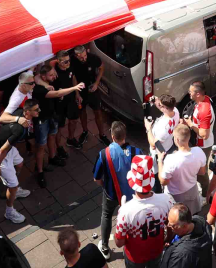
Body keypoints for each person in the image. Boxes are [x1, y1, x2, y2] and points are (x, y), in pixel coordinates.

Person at [93, 121, 142, 259]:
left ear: (112, 136)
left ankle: (105, 248)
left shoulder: (104, 154)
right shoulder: (136, 152)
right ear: (125, 136)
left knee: (107, 215)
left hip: (111, 194)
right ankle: (134, 243)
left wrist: (106, 186)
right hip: (133, 195)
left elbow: (96, 179)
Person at [115, 155, 174, 267]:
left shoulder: (125, 212)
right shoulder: (167, 200)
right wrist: (167, 238)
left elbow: (119, 243)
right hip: (156, 251)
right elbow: (171, 227)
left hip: (135, 257)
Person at [0, 98, 36, 223]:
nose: (39, 111)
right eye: (36, 110)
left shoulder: (19, 112)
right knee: (13, 185)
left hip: (8, 150)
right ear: (27, 112)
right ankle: (9, 212)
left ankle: (13, 188)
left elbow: (3, 116)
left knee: (20, 163)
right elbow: (2, 151)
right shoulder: (18, 130)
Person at [159, 123, 206, 216]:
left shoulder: (170, 159)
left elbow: (163, 182)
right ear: (189, 137)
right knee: (191, 215)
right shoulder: (199, 151)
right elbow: (202, 172)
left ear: (176, 139)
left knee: (177, 219)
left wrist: (160, 161)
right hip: (192, 190)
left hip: (175, 196)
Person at [71, 44, 109, 147]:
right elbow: (73, 77)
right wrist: (77, 93)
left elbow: (102, 67)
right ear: (76, 56)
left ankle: (102, 135)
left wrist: (97, 83)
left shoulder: (93, 58)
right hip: (80, 89)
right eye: (81, 57)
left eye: (85, 56)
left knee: (98, 112)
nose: (84, 59)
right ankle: (85, 131)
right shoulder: (72, 61)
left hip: (92, 88)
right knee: (82, 112)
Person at [161, 203, 214, 268]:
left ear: (184, 226)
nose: (168, 226)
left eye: (173, 226)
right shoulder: (200, 221)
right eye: (168, 221)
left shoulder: (180, 255)